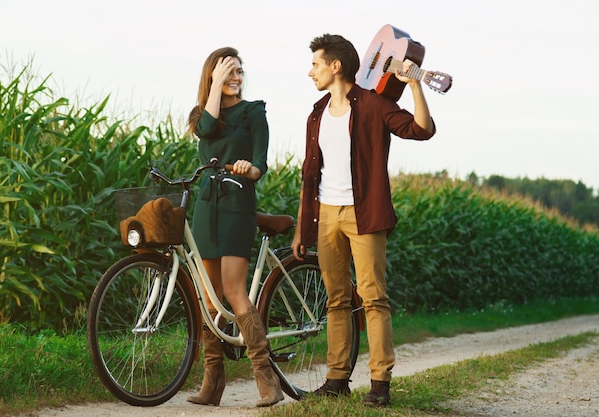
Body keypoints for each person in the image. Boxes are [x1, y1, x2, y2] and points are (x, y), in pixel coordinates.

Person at [290, 33, 436, 407]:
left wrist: (415, 85)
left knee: (373, 298)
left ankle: (379, 382)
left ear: (335, 66)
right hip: (326, 216)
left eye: (315, 64)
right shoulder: (316, 114)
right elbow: (310, 176)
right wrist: (303, 226)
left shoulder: (373, 105)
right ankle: (337, 378)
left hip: (364, 215)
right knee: (336, 300)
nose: (311, 72)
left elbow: (422, 129)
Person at [185, 46, 284, 408]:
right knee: (210, 300)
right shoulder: (202, 114)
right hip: (206, 208)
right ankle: (213, 383)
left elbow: (261, 163)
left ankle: (266, 380)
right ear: (213, 76)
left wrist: (249, 168)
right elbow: (208, 129)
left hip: (237, 204)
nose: (237, 77)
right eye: (229, 71)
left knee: (233, 290)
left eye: (239, 70)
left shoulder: (253, 111)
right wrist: (214, 86)